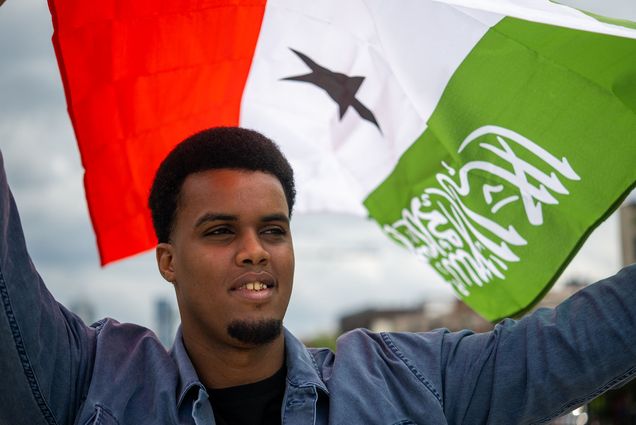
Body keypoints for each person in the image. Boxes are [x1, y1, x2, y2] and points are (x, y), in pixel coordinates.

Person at [1, 127, 635, 425]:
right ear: (168, 260)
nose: (255, 251)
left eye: (273, 230)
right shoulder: (89, 381)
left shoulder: (412, 381)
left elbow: (577, 343)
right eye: (221, 231)